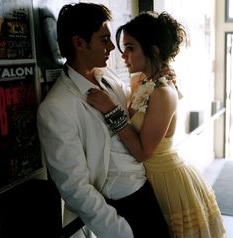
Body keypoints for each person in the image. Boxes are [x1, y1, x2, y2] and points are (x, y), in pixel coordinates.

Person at [87, 11, 226, 238]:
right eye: (124, 49)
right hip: (142, 179)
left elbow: (143, 152)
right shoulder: (140, 80)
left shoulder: (163, 92)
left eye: (130, 48)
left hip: (166, 180)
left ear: (153, 51)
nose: (124, 56)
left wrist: (110, 110)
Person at [37, 3, 170, 238]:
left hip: (147, 194)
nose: (112, 47)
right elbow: (75, 188)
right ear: (79, 43)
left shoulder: (107, 77)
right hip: (118, 212)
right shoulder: (55, 108)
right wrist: (122, 231)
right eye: (104, 39)